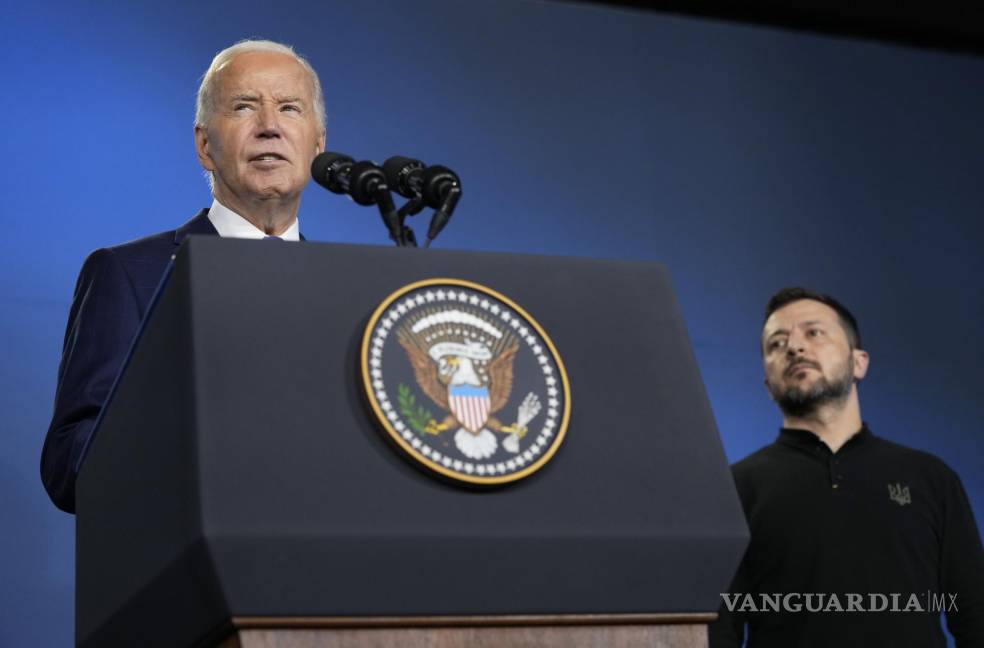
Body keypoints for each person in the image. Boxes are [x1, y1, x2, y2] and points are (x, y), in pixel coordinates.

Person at [40, 39, 327, 513]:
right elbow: (69, 465)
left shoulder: (344, 289)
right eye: (244, 107)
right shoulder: (130, 276)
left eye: (289, 108)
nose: (269, 126)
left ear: (318, 144)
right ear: (204, 145)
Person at [709, 287, 984, 647]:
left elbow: (976, 617)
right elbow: (718, 631)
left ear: (859, 363)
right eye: (777, 343)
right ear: (768, 385)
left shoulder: (932, 479)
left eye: (814, 332)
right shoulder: (735, 490)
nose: (794, 347)